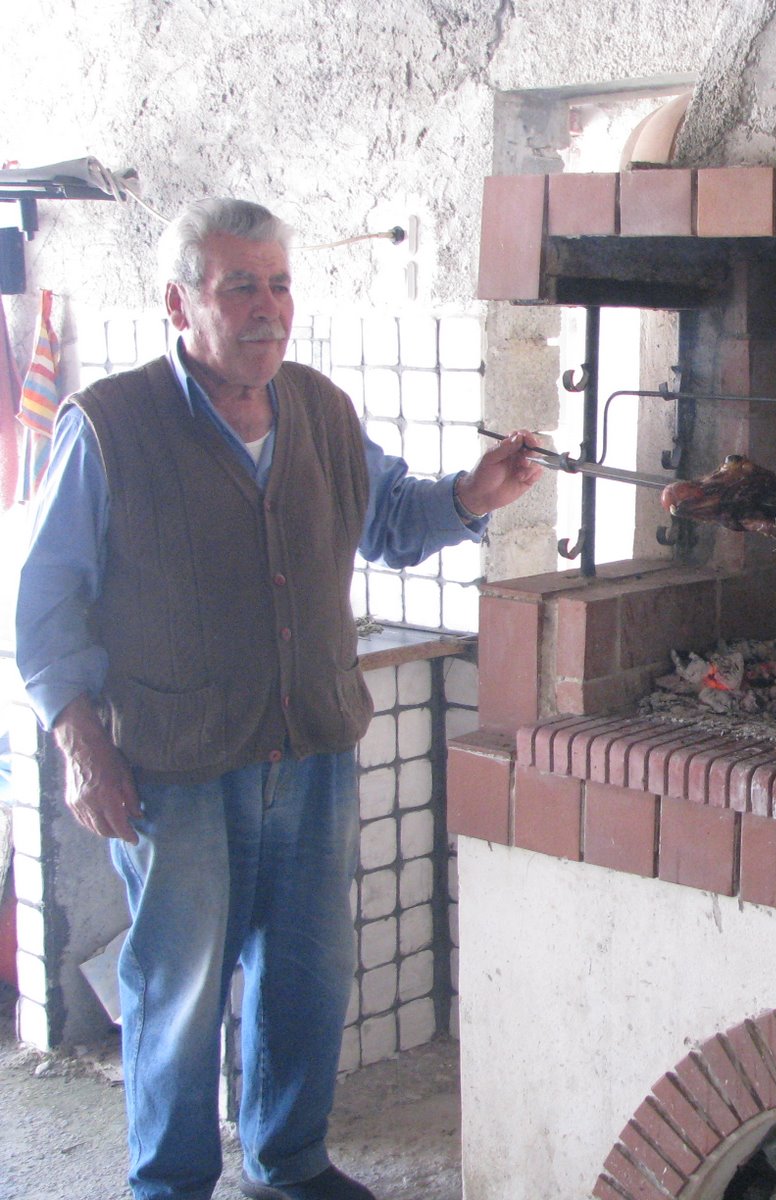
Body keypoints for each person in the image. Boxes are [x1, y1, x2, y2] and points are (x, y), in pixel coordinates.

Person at [13, 198, 543, 1200]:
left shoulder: (318, 409)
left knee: (306, 975)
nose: (268, 308)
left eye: (280, 284)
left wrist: (473, 495)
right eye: (240, 287)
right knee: (179, 989)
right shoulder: (110, 426)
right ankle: (170, 1185)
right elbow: (43, 605)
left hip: (310, 749)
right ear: (180, 302)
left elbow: (389, 518)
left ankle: (287, 1164)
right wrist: (81, 745)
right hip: (174, 763)